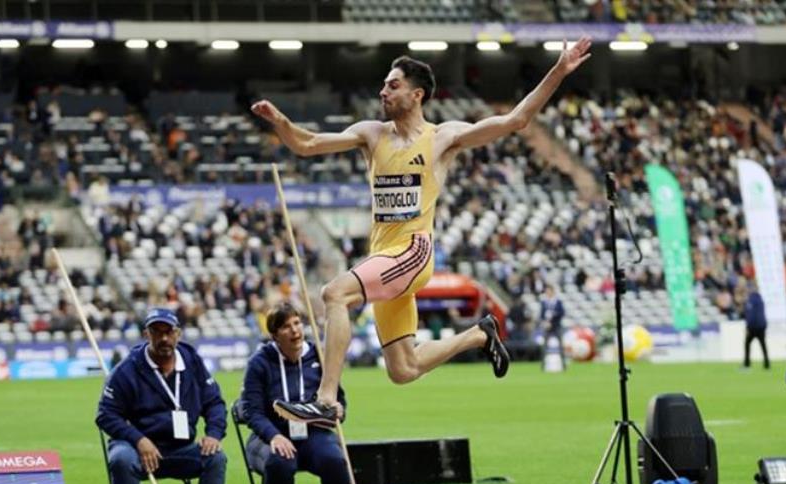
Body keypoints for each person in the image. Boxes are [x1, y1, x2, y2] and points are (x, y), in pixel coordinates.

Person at [251, 37, 593, 425]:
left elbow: (515, 120)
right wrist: (280, 122)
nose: (383, 91)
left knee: (334, 293)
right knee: (403, 368)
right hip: (382, 256)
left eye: (392, 85)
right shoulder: (372, 134)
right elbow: (307, 144)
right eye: (383, 85)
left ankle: (326, 401)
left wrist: (558, 70)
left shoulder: (442, 138)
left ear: (416, 95)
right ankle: (479, 335)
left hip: (413, 253)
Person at [96, 308, 237, 484]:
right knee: (120, 459)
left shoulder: (192, 362)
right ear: (146, 334)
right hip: (138, 450)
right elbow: (106, 414)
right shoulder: (127, 369)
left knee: (216, 458)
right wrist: (139, 440)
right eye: (156, 332)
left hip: (180, 449)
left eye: (169, 332)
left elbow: (214, 402)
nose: (163, 339)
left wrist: (214, 434)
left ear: (178, 334)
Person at [233, 303, 355, 484]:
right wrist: (274, 436)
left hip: (313, 434)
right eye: (287, 326)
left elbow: (338, 399)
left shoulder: (320, 357)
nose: (295, 330)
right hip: (271, 435)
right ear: (275, 334)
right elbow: (252, 412)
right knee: (279, 462)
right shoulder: (260, 363)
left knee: (335, 460)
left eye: (297, 323)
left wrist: (339, 410)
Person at [743, 282, 769, 369]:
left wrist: (748, 327)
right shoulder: (761, 299)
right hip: (761, 326)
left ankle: (747, 364)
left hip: (754, 327)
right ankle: (766, 363)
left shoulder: (751, 300)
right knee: (763, 344)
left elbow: (751, 315)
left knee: (747, 344)